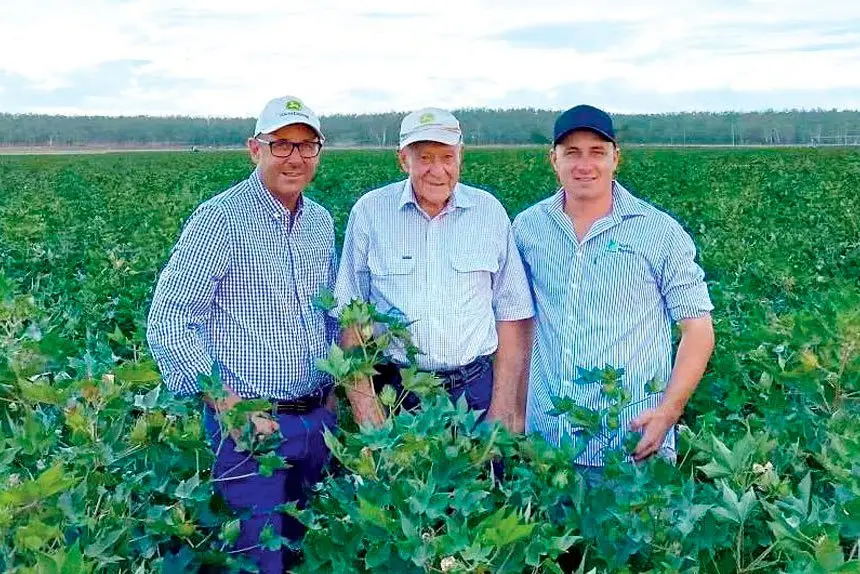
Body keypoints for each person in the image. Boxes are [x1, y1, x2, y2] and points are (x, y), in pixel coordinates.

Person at [147, 95, 336, 572]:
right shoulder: (221, 219)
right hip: (251, 426)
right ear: (255, 149)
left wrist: (332, 399)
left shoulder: (319, 222)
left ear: (319, 152)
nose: (294, 157)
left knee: (306, 554)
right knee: (258, 561)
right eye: (281, 145)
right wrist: (230, 407)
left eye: (306, 145)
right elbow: (169, 320)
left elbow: (329, 315)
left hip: (316, 422)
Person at [512, 104, 715, 475]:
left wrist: (669, 412)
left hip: (632, 442)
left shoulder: (658, 232)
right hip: (547, 445)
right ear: (553, 159)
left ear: (615, 158)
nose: (584, 164)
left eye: (597, 152)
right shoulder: (527, 228)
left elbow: (697, 329)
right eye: (571, 152)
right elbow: (517, 325)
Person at [333, 107, 534, 431]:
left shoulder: (489, 212)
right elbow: (351, 319)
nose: (437, 170)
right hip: (398, 395)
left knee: (481, 480)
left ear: (460, 157)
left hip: (475, 392)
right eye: (424, 157)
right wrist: (370, 419)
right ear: (403, 160)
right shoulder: (370, 213)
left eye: (446, 157)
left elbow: (512, 315)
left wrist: (502, 411)